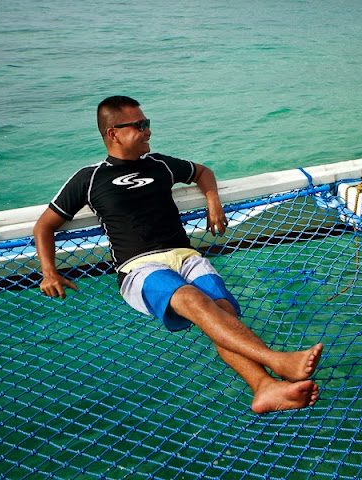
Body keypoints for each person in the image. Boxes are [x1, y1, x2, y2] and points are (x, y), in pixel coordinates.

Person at [34, 95, 323, 414]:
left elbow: (202, 172)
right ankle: (276, 362)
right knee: (191, 298)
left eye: (148, 124)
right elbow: (44, 226)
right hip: (138, 269)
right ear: (113, 132)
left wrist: (213, 200)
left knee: (223, 311)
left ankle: (264, 388)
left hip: (185, 256)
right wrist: (49, 272)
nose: (148, 132)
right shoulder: (88, 179)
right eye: (139, 125)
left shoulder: (160, 165)